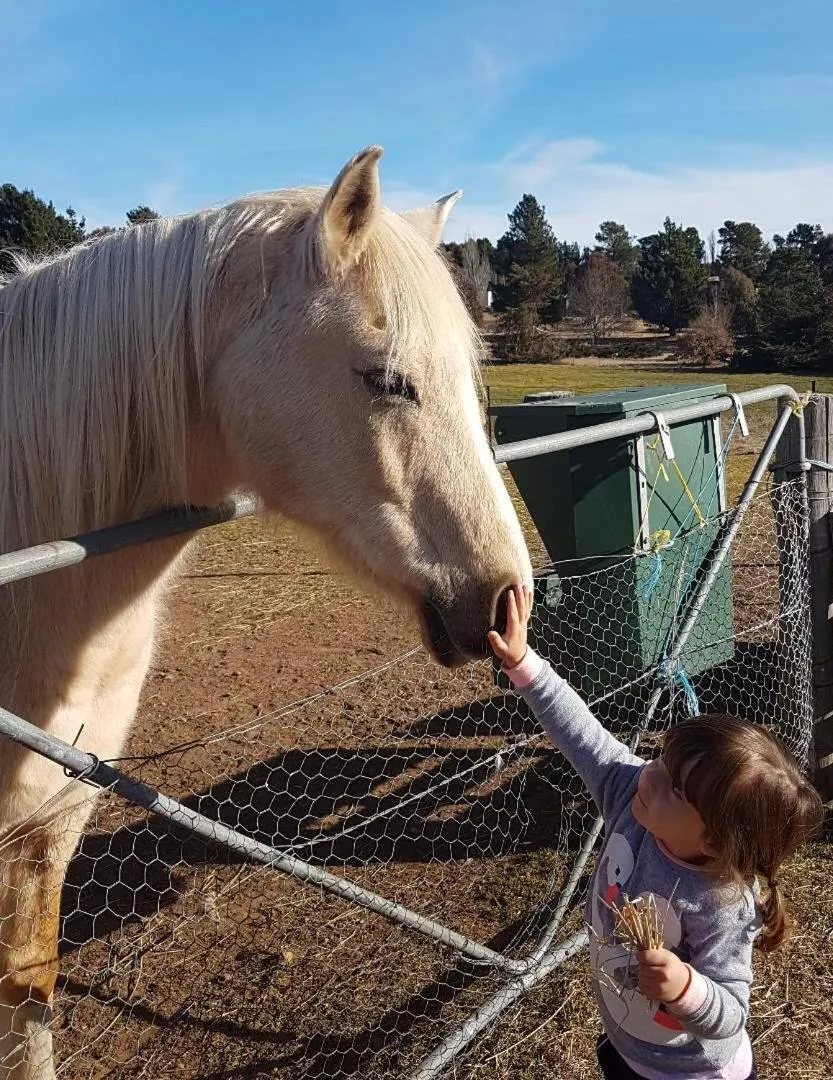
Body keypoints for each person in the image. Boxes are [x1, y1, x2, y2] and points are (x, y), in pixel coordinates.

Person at [488, 586, 824, 1080]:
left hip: (689, 1072)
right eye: (662, 759)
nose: (649, 773)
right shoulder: (631, 793)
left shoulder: (721, 902)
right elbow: (582, 733)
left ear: (712, 841)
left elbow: (732, 1010)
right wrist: (524, 665)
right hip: (629, 1044)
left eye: (672, 787)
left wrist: (687, 986)